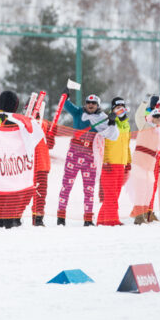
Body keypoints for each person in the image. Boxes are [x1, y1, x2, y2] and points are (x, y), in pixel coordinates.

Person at [57, 93, 119, 226]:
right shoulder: (78, 112)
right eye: (88, 102)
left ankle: (88, 219)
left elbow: (113, 135)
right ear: (85, 104)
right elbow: (65, 104)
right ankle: (60, 217)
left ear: (98, 105)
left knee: (89, 188)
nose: (90, 105)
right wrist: (66, 94)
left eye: (94, 103)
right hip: (74, 153)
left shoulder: (103, 118)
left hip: (90, 156)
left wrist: (112, 122)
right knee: (66, 185)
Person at [0, 91, 41, 228]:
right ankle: (9, 218)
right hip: (12, 161)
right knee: (13, 191)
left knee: (0, 192)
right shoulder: (18, 120)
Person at [97, 97, 131, 226]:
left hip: (121, 164)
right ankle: (112, 220)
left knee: (115, 194)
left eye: (122, 107)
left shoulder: (126, 124)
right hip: (110, 164)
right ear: (113, 109)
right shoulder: (108, 122)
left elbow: (126, 145)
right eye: (117, 108)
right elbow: (102, 142)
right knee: (111, 195)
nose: (120, 110)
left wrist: (128, 162)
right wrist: (104, 161)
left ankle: (102, 220)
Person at [128, 108, 160, 224]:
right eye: (156, 116)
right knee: (141, 189)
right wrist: (144, 103)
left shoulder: (159, 131)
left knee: (148, 191)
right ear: (152, 117)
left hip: (150, 164)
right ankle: (139, 216)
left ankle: (144, 214)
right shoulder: (145, 126)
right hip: (140, 162)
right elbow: (139, 116)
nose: (158, 119)